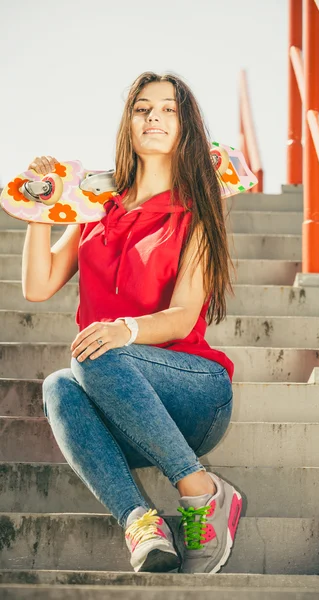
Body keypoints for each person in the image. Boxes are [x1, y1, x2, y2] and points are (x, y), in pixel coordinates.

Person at [22, 72, 242, 575]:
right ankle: (141, 523)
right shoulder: (96, 210)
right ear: (129, 123)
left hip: (194, 392)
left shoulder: (198, 212)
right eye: (143, 108)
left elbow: (185, 314)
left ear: (186, 127)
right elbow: (38, 286)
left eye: (168, 109)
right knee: (59, 384)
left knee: (95, 351)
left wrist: (126, 330)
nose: (154, 118)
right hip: (117, 401)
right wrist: (40, 205)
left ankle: (199, 489)